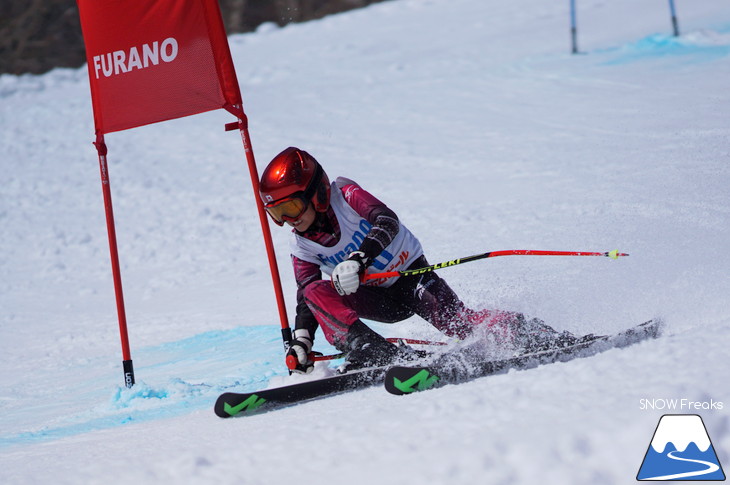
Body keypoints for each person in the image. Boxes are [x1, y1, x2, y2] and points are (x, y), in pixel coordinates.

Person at [259, 147, 582, 374]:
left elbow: (387, 220)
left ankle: (533, 333)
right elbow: (307, 297)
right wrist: (302, 341)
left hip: (412, 279)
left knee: (461, 326)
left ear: (316, 192)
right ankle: (372, 351)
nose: (288, 220)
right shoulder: (301, 245)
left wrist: (360, 259)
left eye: (291, 209)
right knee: (315, 291)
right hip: (374, 299)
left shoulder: (345, 196)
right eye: (276, 214)